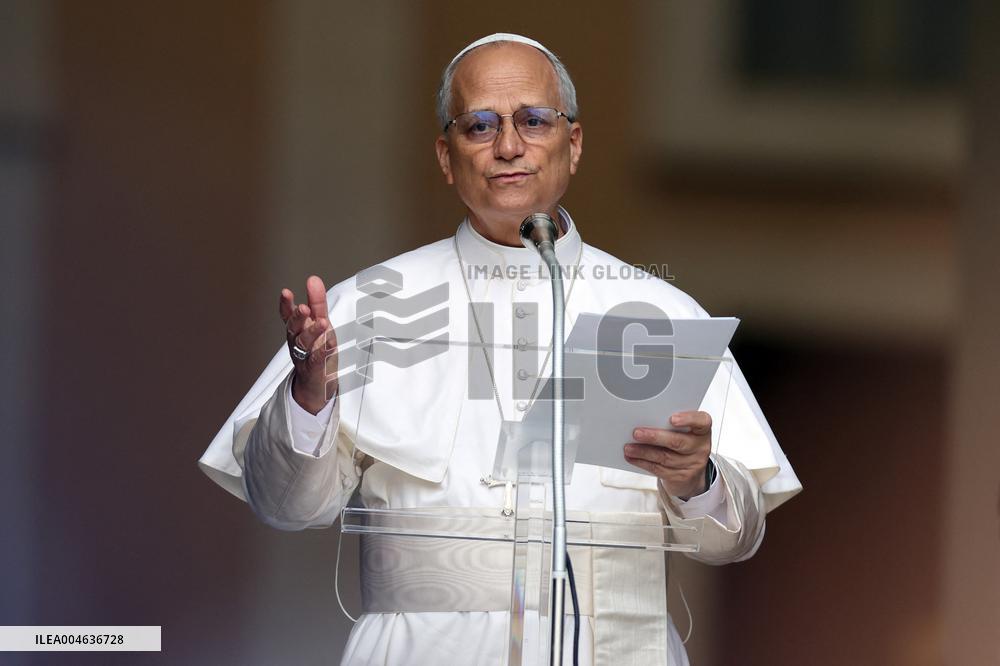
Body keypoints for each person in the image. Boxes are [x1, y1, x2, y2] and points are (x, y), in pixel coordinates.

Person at [199, 33, 801, 665]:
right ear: (445, 154)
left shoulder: (659, 312)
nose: (508, 146)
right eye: (479, 125)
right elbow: (287, 506)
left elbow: (732, 540)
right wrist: (309, 397)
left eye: (534, 122)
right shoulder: (369, 305)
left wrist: (696, 480)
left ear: (573, 144)